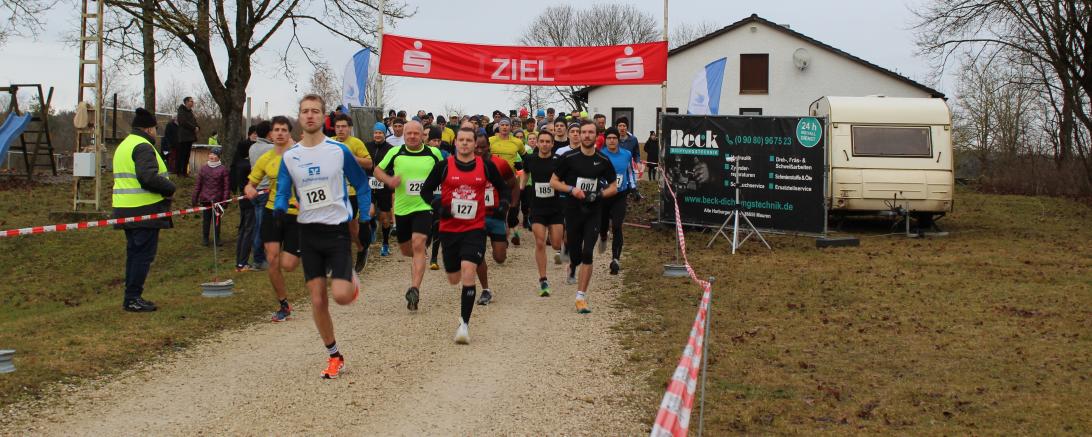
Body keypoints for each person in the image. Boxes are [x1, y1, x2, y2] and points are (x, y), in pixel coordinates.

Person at [274, 94, 369, 379]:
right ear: (299, 117)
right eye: (305, 111)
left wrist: (364, 217)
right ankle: (334, 355)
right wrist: (280, 208)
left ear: (323, 116)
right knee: (317, 300)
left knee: (341, 296)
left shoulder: (338, 151)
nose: (310, 115)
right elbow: (282, 190)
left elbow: (362, 184)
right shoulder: (290, 156)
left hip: (336, 230)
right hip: (308, 232)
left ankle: (349, 279)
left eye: (315, 111)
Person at [419, 127, 510, 343]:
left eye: (469, 140)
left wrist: (504, 204)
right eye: (461, 140)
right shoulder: (443, 166)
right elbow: (425, 191)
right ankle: (456, 276)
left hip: (475, 228)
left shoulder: (485, 166)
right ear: (456, 142)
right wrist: (438, 206)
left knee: (469, 272)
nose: (465, 143)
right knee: (454, 278)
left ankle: (464, 326)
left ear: (474, 144)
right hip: (449, 229)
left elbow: (503, 188)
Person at [374, 121, 444, 311]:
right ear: (404, 135)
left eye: (416, 133)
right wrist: (389, 180)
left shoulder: (433, 153)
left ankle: (414, 289)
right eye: (409, 133)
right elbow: (377, 170)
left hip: (425, 206)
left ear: (423, 136)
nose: (412, 136)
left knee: (418, 244)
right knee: (407, 250)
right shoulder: (395, 152)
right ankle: (418, 257)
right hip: (402, 209)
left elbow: (445, 173)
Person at [550, 121, 619, 314]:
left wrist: (599, 194)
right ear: (579, 135)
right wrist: (571, 189)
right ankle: (572, 262)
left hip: (593, 211)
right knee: (576, 255)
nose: (587, 135)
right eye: (584, 132)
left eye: (591, 132)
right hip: (573, 210)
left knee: (588, 252)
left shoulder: (603, 160)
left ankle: (580, 297)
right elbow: (553, 182)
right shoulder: (568, 158)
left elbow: (614, 187)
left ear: (597, 136)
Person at [113, 108, 176, 312]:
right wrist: (170, 187)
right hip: (143, 210)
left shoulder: (125, 145)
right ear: (149, 129)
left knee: (134, 254)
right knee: (142, 256)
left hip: (125, 208)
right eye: (155, 129)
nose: (156, 133)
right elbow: (147, 177)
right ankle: (133, 297)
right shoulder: (143, 146)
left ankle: (131, 296)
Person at [245, 116, 302, 323]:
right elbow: (251, 183)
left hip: (296, 214)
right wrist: (249, 189)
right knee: (272, 259)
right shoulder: (266, 158)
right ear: (271, 134)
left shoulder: (300, 155)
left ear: (289, 133)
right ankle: (283, 304)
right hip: (272, 211)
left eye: (283, 130)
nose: (279, 133)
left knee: (289, 265)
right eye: (276, 130)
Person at [472, 132, 515, 305]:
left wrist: (509, 206)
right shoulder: (466, 164)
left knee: (499, 258)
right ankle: (485, 290)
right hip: (476, 216)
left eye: (483, 147)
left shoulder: (500, 163)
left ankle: (501, 242)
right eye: (476, 147)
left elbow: (512, 183)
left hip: (496, 215)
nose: (479, 150)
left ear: (489, 147)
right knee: (478, 254)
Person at [523, 130, 564, 296]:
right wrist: (521, 188)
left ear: (552, 144)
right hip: (537, 208)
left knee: (556, 244)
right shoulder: (530, 159)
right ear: (537, 143)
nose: (545, 144)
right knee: (540, 242)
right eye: (542, 141)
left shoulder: (559, 161)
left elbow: (566, 178)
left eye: (548, 141)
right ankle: (543, 279)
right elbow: (525, 172)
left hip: (555, 208)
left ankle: (565, 249)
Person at [332, 113, 375, 272]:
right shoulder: (329, 142)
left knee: (352, 229)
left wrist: (351, 158)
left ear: (350, 128)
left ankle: (361, 248)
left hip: (353, 192)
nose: (340, 129)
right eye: (338, 127)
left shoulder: (356, 143)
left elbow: (369, 163)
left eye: (344, 126)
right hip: (334, 192)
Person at [598, 127, 635, 275]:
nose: (612, 141)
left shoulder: (626, 154)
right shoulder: (600, 155)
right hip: (605, 195)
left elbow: (630, 172)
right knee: (603, 225)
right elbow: (596, 174)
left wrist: (634, 187)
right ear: (605, 140)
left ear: (618, 140)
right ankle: (603, 236)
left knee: (617, 226)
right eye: (609, 138)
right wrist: (602, 186)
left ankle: (615, 259)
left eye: (614, 138)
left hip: (620, 195)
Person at [233, 123, 263, 271]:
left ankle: (239, 260)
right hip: (249, 199)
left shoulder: (239, 164)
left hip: (243, 199)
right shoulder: (247, 165)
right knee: (248, 230)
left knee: (243, 229)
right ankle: (243, 262)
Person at [248, 123, 276, 270]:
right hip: (265, 191)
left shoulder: (252, 147)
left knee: (258, 225)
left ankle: (261, 256)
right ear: (268, 133)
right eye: (273, 131)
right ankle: (258, 260)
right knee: (262, 227)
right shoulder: (270, 148)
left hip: (255, 191)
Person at [365, 122, 395, 257]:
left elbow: (393, 167)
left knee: (385, 218)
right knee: (370, 212)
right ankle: (372, 226)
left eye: (380, 133)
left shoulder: (390, 149)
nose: (377, 135)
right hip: (369, 184)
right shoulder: (367, 146)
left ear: (384, 134)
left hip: (384, 186)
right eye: (376, 133)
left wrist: (386, 175)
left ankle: (385, 243)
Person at [193, 147, 231, 246]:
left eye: (214, 154)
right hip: (205, 199)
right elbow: (198, 185)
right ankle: (205, 238)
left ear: (218, 157)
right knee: (206, 220)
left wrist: (225, 200)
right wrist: (194, 198)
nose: (211, 156)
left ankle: (217, 238)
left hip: (217, 200)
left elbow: (226, 186)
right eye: (211, 154)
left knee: (217, 220)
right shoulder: (203, 168)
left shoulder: (223, 169)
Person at [175, 97, 199, 176]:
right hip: (183, 137)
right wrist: (193, 128)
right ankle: (179, 172)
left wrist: (197, 127)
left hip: (190, 137)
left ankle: (185, 172)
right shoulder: (181, 111)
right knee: (182, 155)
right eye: (191, 101)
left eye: (192, 101)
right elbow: (183, 122)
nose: (192, 102)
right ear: (186, 102)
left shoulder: (190, 112)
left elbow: (194, 121)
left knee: (187, 155)